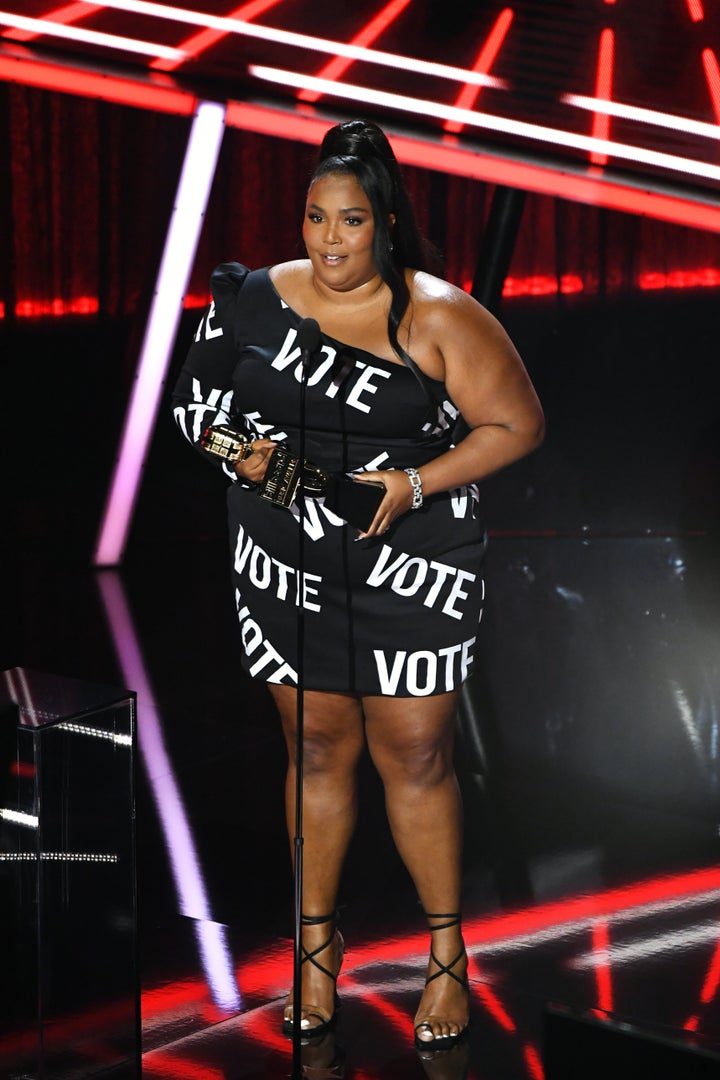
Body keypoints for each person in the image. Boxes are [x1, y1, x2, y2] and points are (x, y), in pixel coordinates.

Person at [172, 118, 544, 1051]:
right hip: (287, 554)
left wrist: (412, 482)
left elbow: (517, 425)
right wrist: (249, 461)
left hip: (410, 557)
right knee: (315, 746)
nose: (329, 241)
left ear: (384, 223)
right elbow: (192, 412)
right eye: (314, 219)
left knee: (415, 754)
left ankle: (447, 958)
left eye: (349, 222)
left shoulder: (440, 314)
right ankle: (314, 950)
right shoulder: (252, 300)